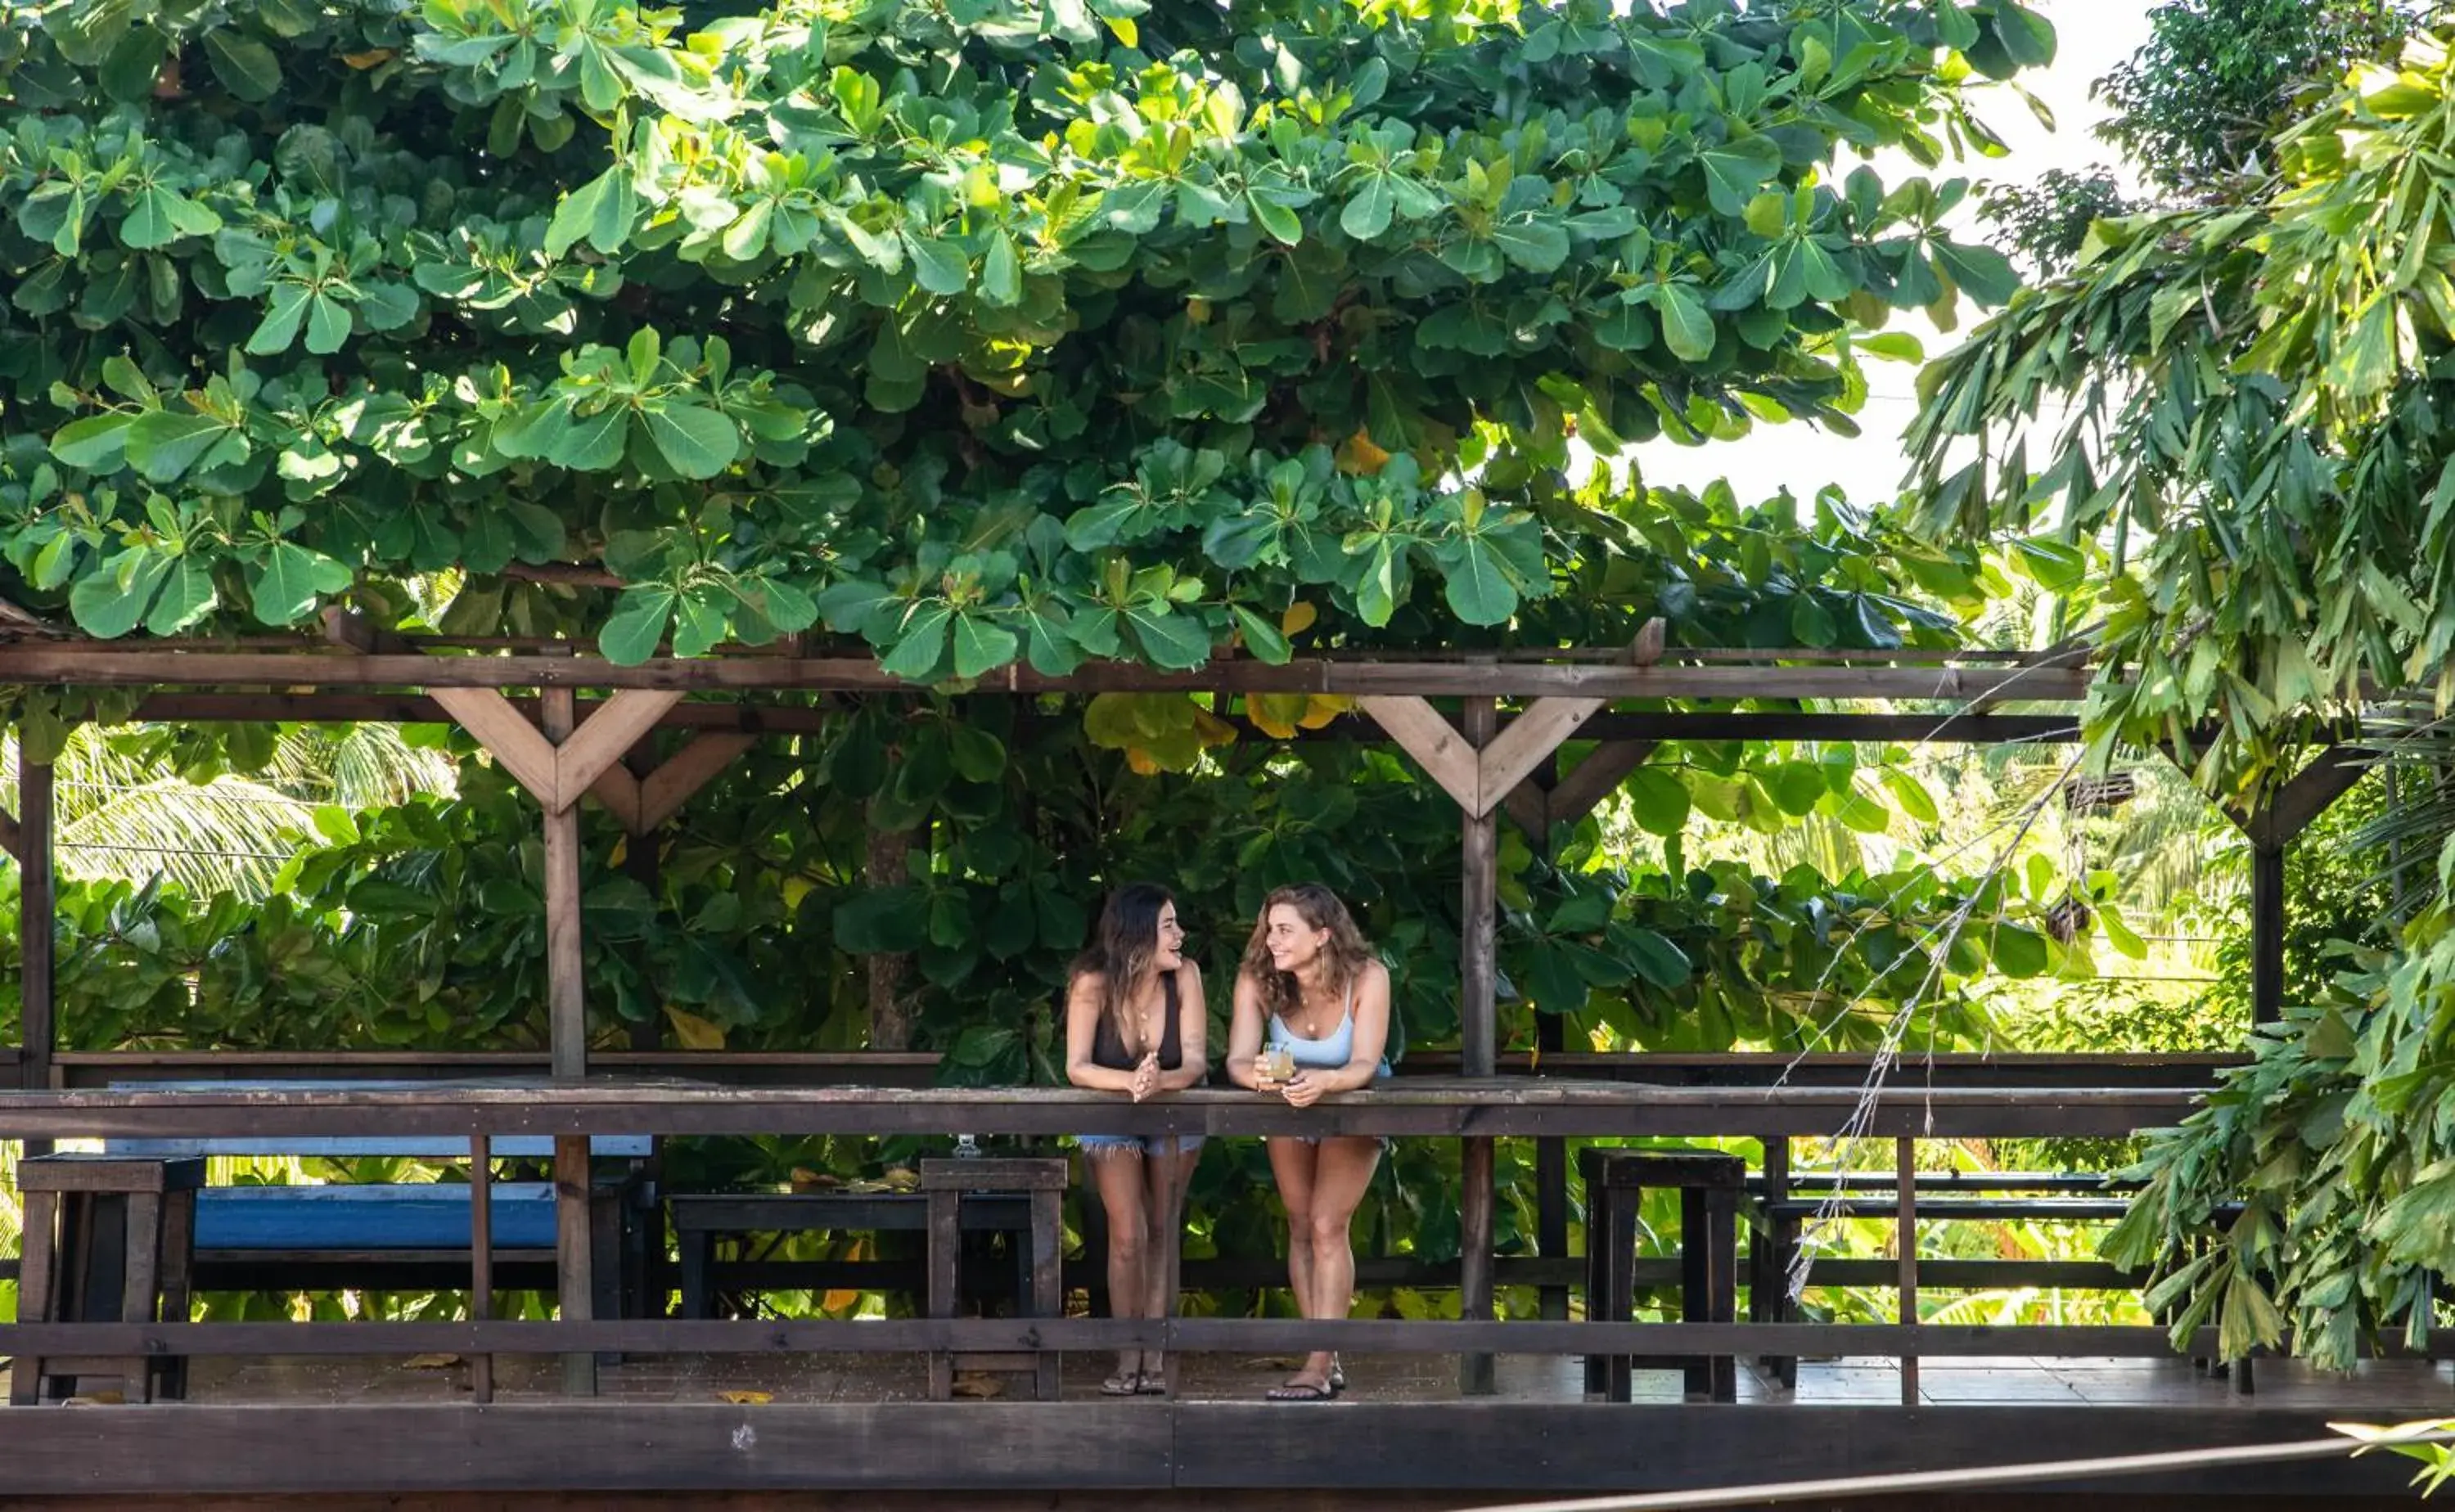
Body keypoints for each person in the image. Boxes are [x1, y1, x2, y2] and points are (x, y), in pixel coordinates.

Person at [1224, 883, 1393, 1402]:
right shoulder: (1258, 980)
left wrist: (1325, 1082)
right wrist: (1261, 1079)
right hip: (1288, 1102)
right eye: (1269, 928)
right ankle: (1325, 1352)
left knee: (1327, 1224)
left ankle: (1318, 1365)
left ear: (1323, 935)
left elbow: (1364, 1065)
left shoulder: (1369, 976)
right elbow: (1235, 1061)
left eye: (1284, 930)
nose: (1271, 939)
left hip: (1350, 1103)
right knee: (1300, 1225)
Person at [1063, 881, 1209, 1396]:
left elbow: (1194, 1061)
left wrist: (1157, 1082)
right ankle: (1129, 1355)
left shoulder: (1185, 977)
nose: (1180, 935)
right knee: (1128, 1235)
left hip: (1172, 1109)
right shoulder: (1091, 982)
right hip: (1110, 1109)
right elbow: (1077, 1068)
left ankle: (1158, 1352)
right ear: (1138, 933)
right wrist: (1129, 1082)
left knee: (1162, 1228)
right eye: (1169, 925)